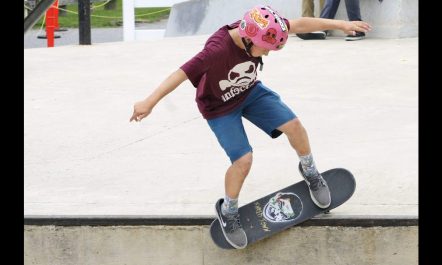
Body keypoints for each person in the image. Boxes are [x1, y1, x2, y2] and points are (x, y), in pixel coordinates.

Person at [130, 5, 371, 249]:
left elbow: (300, 24)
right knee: (243, 161)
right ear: (248, 39)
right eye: (265, 49)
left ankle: (310, 172)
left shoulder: (265, 28)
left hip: (249, 92)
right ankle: (229, 212)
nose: (266, 54)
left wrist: (342, 25)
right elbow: (180, 73)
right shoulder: (216, 51)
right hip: (219, 108)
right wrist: (149, 102)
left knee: (295, 126)